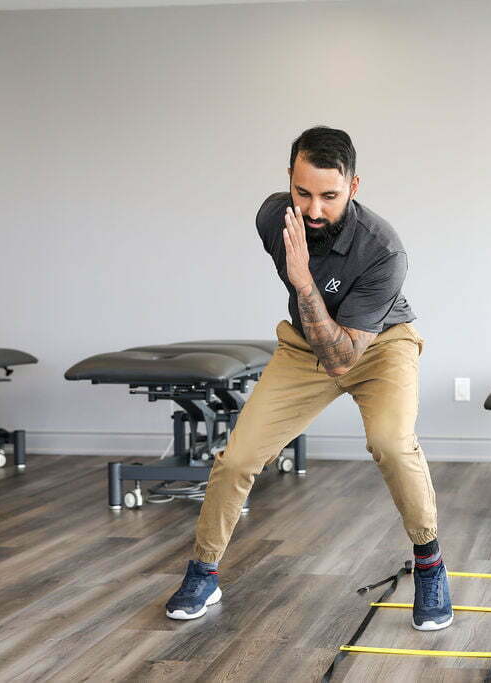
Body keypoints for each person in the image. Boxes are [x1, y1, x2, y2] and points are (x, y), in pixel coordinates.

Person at [164, 126, 452, 631]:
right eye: (303, 193)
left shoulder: (384, 250)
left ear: (354, 187)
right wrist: (304, 287)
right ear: (289, 182)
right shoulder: (272, 217)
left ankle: (430, 563)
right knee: (238, 458)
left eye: (330, 196)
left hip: (379, 347)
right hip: (304, 347)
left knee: (391, 443)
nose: (314, 210)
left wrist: (303, 281)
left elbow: (342, 360)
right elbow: (319, 344)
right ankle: (203, 572)